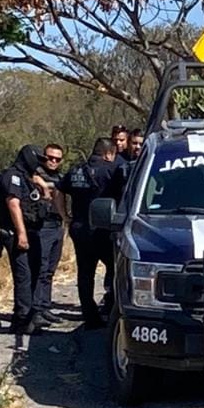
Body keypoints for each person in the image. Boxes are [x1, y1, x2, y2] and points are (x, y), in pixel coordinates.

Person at [0, 144, 52, 347]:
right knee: (24, 276)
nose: (38, 164)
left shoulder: (28, 177)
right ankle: (22, 320)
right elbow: (13, 204)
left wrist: (44, 186)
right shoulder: (12, 176)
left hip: (31, 232)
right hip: (17, 234)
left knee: (35, 272)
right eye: (36, 159)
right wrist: (21, 234)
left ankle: (24, 316)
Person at [64, 138, 120, 329]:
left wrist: (65, 216)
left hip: (79, 229)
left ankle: (90, 316)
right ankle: (113, 307)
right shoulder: (111, 171)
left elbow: (57, 191)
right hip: (103, 229)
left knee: (85, 273)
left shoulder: (75, 170)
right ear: (108, 154)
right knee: (114, 269)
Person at [31, 144, 68, 324]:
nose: (53, 161)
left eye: (57, 159)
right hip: (42, 226)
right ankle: (36, 309)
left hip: (57, 225)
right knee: (40, 268)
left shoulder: (61, 177)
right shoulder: (35, 174)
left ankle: (45, 307)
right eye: (50, 157)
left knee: (50, 271)